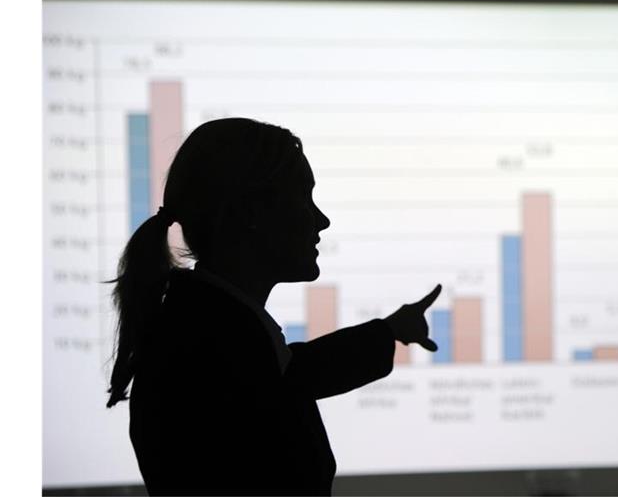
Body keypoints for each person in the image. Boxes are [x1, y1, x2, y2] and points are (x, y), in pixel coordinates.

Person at [106, 118, 441, 496]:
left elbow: (289, 375)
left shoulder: (207, 327)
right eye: (303, 197)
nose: (321, 220)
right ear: (250, 215)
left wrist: (391, 330)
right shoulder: (213, 343)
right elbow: (281, 384)